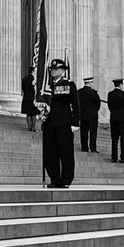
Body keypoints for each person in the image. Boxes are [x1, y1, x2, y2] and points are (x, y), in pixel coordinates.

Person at [38, 58, 79, 188]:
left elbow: (75, 104)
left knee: (65, 152)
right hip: (50, 123)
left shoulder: (69, 84)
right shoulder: (46, 85)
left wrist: (75, 123)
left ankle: (66, 179)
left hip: (64, 123)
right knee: (50, 153)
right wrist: (42, 114)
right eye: (52, 69)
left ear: (63, 70)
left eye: (56, 69)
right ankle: (54, 179)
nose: (53, 71)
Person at [107, 77, 124, 164]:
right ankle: (123, 157)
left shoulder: (110, 94)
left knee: (114, 138)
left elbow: (109, 106)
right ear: (120, 85)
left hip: (114, 118)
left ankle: (114, 157)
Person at [78, 77, 101, 153]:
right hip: (92, 115)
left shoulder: (79, 92)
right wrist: (95, 110)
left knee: (83, 132)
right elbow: (98, 103)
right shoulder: (93, 92)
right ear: (90, 83)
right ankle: (93, 148)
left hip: (83, 114)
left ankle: (84, 147)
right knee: (93, 132)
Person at [21, 67, 38, 133]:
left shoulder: (24, 79)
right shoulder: (34, 79)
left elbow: (23, 89)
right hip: (33, 98)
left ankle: (29, 127)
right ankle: (33, 127)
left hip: (26, 97)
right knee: (33, 114)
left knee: (28, 113)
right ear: (33, 71)